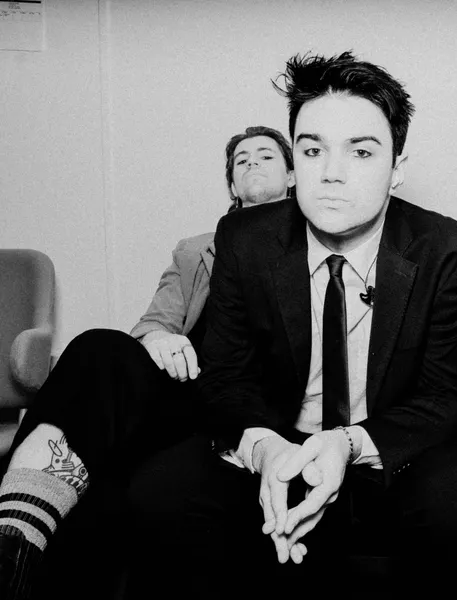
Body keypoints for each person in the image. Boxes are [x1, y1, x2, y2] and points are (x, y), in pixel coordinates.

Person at [124, 51, 457, 600]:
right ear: (296, 162)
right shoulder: (245, 238)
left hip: (381, 441)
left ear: (397, 168)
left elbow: (446, 394)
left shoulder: (446, 247)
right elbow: (225, 377)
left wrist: (348, 444)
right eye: (313, 150)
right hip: (278, 435)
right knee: (160, 493)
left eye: (361, 151)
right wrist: (266, 451)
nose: (332, 173)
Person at [0, 125, 295, 599]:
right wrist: (159, 339)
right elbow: (153, 322)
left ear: (294, 175)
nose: (253, 164)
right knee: (98, 346)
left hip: (249, 404)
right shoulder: (196, 250)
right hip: (186, 387)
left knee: (108, 471)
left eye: (266, 155)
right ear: (232, 185)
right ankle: (12, 542)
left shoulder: (313, 243)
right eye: (242, 161)